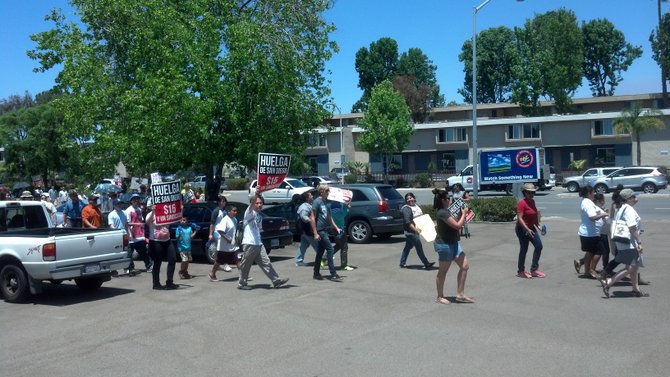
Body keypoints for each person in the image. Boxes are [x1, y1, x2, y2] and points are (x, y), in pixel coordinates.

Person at [600, 189, 648, 298]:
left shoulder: (620, 208)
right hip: (630, 243)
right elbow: (632, 227)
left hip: (622, 242)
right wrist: (639, 241)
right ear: (628, 199)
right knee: (631, 268)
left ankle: (636, 290)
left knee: (634, 267)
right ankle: (608, 282)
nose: (636, 198)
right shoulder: (629, 210)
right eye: (634, 196)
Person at [237, 194, 289, 290]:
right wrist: (257, 193)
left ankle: (276, 280)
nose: (259, 205)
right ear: (253, 204)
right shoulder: (249, 213)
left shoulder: (258, 215)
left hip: (258, 244)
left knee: (266, 262)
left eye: (261, 203)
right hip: (250, 243)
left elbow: (258, 230)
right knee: (246, 264)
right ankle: (242, 283)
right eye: (257, 203)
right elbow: (252, 203)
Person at [432, 189, 474, 304]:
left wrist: (463, 214)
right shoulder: (442, 213)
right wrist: (464, 213)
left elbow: (456, 222)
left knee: (465, 266)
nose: (450, 200)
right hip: (444, 244)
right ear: (444, 200)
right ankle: (439, 297)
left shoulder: (448, 211)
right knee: (443, 271)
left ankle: (460, 294)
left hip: (454, 243)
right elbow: (457, 226)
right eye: (449, 198)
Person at [574, 186, 608, 279]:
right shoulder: (587, 203)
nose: (595, 194)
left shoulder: (587, 202)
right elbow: (592, 217)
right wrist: (603, 214)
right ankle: (591, 270)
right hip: (590, 233)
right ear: (589, 193)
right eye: (594, 192)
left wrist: (601, 213)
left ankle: (587, 272)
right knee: (600, 251)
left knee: (590, 252)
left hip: (590, 232)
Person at [312, 184, 343, 282]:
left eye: (328, 190)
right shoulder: (317, 202)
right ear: (321, 192)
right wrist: (315, 233)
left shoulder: (325, 202)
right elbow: (312, 217)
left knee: (320, 252)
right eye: (327, 191)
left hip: (324, 229)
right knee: (330, 249)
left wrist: (337, 228)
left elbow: (329, 218)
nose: (328, 192)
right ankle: (333, 273)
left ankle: (316, 273)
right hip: (320, 230)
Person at [515, 183, 545, 279]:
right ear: (525, 192)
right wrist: (527, 229)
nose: (531, 194)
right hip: (522, 229)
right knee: (524, 249)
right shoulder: (521, 203)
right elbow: (520, 218)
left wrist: (539, 227)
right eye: (529, 192)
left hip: (531, 228)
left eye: (533, 192)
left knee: (539, 246)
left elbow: (534, 216)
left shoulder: (532, 202)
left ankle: (534, 269)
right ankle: (521, 271)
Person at [146, 204, 178, 290]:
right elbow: (148, 223)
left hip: (167, 240)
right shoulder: (150, 214)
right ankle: (156, 283)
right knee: (157, 262)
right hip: (156, 241)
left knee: (173, 259)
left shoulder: (166, 213)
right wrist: (153, 212)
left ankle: (169, 282)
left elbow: (176, 218)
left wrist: (180, 209)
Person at [399, 192, 434, 269]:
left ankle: (402, 262)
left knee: (408, 247)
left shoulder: (416, 206)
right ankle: (426, 263)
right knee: (419, 247)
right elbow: (407, 221)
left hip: (416, 230)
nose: (409, 200)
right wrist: (415, 229)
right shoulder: (406, 208)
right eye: (407, 199)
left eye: (411, 198)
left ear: (414, 198)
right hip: (411, 232)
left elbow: (422, 218)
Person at [210, 205, 240, 282]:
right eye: (234, 211)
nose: (235, 212)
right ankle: (212, 273)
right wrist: (227, 239)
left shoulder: (234, 219)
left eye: (236, 211)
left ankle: (243, 275)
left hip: (233, 244)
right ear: (229, 212)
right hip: (224, 246)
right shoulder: (225, 220)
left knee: (238, 259)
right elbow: (220, 231)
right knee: (219, 261)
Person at [125, 194, 153, 272]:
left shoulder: (139, 210)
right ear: (131, 201)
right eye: (134, 200)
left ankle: (149, 265)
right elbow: (127, 223)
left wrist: (142, 229)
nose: (136, 201)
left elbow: (141, 221)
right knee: (130, 254)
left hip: (140, 235)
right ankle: (130, 268)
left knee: (143, 251)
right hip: (131, 235)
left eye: (137, 199)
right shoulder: (128, 211)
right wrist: (138, 225)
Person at [108, 199, 134, 275]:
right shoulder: (111, 214)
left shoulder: (124, 213)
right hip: (116, 236)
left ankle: (129, 268)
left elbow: (126, 225)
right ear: (114, 205)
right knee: (115, 253)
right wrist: (117, 231)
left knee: (128, 252)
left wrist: (129, 234)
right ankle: (113, 270)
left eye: (120, 204)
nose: (119, 205)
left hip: (124, 235)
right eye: (118, 204)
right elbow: (111, 225)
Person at [208, 195, 232, 272]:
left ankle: (217, 263)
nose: (224, 203)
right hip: (217, 232)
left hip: (223, 232)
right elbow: (212, 223)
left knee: (220, 249)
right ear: (219, 202)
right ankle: (225, 264)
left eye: (225, 201)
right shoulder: (216, 211)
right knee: (223, 247)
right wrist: (210, 234)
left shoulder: (224, 211)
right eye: (222, 201)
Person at [295, 191, 318, 266]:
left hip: (305, 231)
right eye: (311, 195)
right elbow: (304, 217)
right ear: (307, 198)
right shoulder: (304, 207)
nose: (312, 196)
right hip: (307, 230)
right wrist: (311, 221)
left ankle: (299, 261)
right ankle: (324, 258)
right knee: (317, 245)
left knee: (303, 245)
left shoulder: (308, 205)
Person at [331, 196, 353, 270]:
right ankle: (344, 265)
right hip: (340, 229)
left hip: (335, 228)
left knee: (338, 245)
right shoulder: (337, 206)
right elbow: (342, 215)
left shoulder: (332, 205)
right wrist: (346, 206)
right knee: (344, 246)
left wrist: (345, 206)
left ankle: (324, 258)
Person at [175, 215, 196, 279]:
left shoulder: (189, 228)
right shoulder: (178, 228)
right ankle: (181, 271)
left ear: (187, 221)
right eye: (181, 220)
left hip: (188, 247)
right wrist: (179, 234)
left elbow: (191, 237)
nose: (182, 221)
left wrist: (196, 231)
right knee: (184, 260)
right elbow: (176, 238)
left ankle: (185, 272)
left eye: (184, 220)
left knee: (187, 261)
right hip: (182, 247)